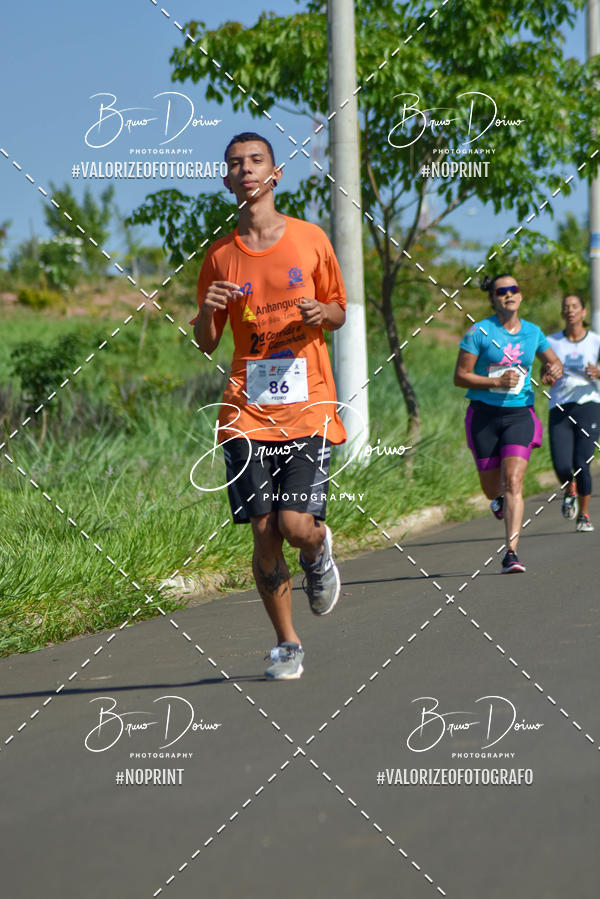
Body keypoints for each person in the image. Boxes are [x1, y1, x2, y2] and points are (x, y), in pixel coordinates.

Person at [191, 132, 346, 680]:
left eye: (256, 161)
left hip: (307, 404)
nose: (246, 170)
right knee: (262, 531)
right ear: (227, 180)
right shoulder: (220, 257)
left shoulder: (310, 239)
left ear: (275, 174)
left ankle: (317, 551)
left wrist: (316, 313)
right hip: (246, 411)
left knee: (296, 523)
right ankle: (287, 642)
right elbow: (207, 342)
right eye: (235, 164)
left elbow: (338, 312)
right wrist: (209, 312)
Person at [454, 273, 563, 573]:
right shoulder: (478, 332)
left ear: (521, 296)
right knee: (492, 489)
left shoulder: (533, 333)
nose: (509, 295)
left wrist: (552, 371)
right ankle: (498, 500)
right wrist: (495, 381)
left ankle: (511, 553)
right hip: (484, 416)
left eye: (514, 289)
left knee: (515, 480)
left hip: (519, 413)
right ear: (493, 298)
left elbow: (554, 363)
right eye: (502, 291)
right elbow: (459, 376)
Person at [544, 294, 600, 532]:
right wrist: (546, 377)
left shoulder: (596, 342)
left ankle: (584, 515)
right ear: (562, 313)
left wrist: (598, 374)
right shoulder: (552, 342)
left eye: (575, 306)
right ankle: (569, 488)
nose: (570, 310)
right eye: (566, 307)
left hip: (589, 404)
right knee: (561, 465)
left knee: (581, 463)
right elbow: (543, 373)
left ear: (583, 312)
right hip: (559, 406)